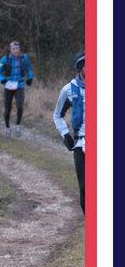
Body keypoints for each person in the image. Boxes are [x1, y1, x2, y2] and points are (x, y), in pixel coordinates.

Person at [52, 50, 86, 214]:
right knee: (85, 188)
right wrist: (65, 134)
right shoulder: (69, 89)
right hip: (81, 144)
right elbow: (57, 115)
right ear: (80, 67)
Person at [0, 39, 34, 137]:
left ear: (19, 49)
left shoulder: (24, 58)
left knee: (20, 106)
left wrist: (30, 78)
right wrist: (2, 79)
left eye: (17, 48)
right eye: (14, 49)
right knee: (8, 108)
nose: (16, 50)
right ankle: (7, 127)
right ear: (10, 49)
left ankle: (17, 125)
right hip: (8, 85)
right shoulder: (5, 59)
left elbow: (28, 69)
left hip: (19, 85)